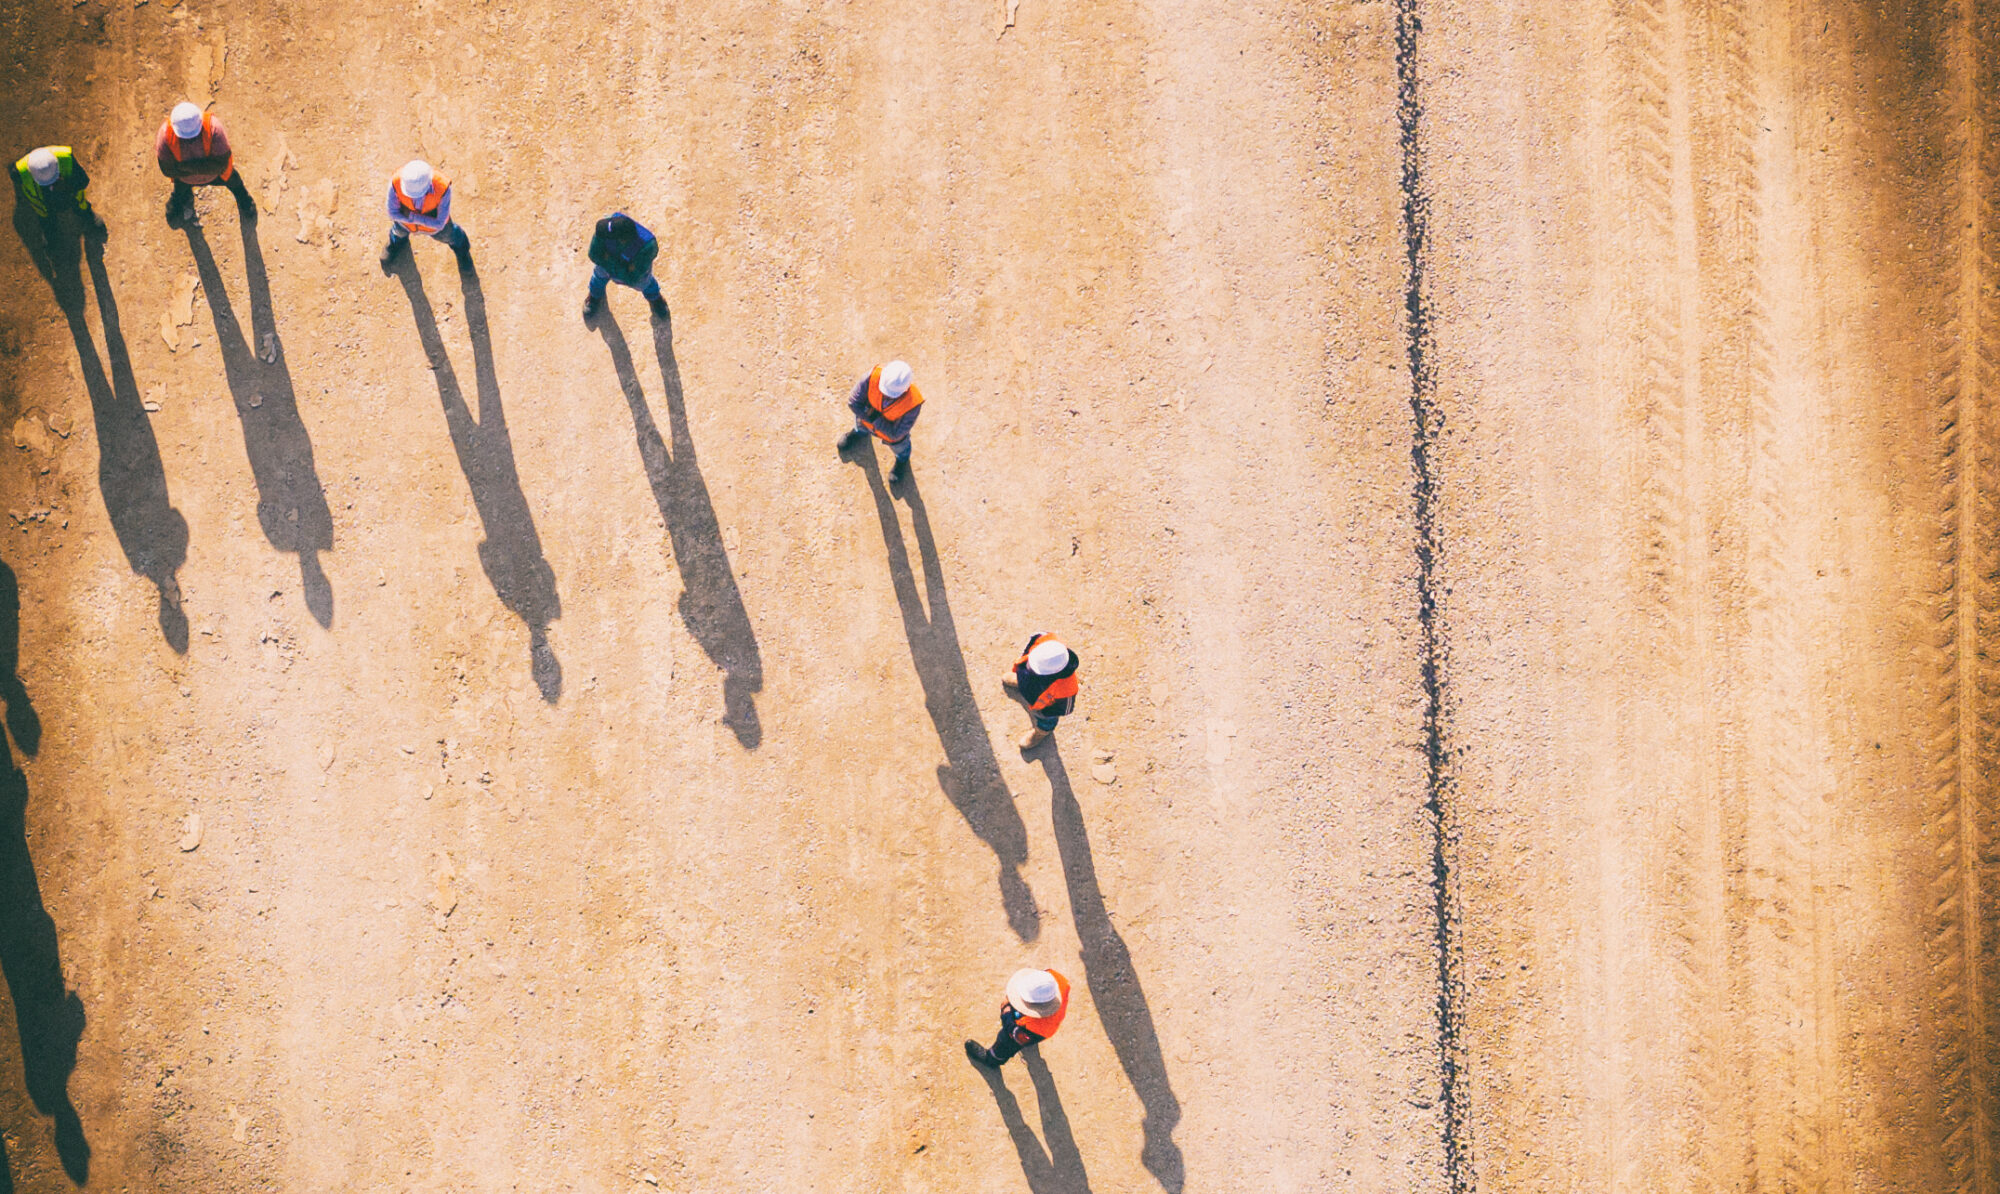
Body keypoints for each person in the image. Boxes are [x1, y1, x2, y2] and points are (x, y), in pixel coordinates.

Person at [155, 102, 254, 225]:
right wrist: (204, 166)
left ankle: (244, 200)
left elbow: (221, 165)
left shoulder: (214, 128)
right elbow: (167, 170)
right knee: (179, 191)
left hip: (198, 175)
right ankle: (177, 202)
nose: (190, 139)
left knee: (236, 184)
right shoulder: (165, 134)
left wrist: (185, 167)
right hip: (189, 178)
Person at [965, 968, 1072, 1069]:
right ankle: (1028, 1044)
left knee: (1006, 1043)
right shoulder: (1057, 980)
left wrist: (1006, 1013)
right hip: (1049, 1026)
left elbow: (1011, 1029)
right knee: (1025, 1038)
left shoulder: (1030, 1028)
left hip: (1033, 1032)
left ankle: (992, 1059)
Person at [836, 360, 921, 485]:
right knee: (860, 427)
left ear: (905, 390)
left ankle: (902, 461)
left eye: (891, 395)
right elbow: (853, 403)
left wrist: (873, 416)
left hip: (892, 438)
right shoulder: (872, 376)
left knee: (902, 450)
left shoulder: (913, 404)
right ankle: (858, 433)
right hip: (865, 423)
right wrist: (876, 420)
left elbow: (895, 434)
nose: (885, 395)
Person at [380, 159, 469, 269]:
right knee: (398, 233)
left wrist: (411, 216)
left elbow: (440, 224)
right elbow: (392, 213)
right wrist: (419, 220)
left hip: (432, 228)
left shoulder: (443, 187)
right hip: (405, 224)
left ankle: (463, 253)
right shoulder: (396, 181)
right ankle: (395, 244)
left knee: (452, 236)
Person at [11, 147, 107, 245]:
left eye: (53, 180)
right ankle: (50, 232)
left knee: (79, 203)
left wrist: (68, 186)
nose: (51, 184)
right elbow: (16, 178)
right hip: (42, 202)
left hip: (70, 192)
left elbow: (83, 180)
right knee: (45, 215)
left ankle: (87, 215)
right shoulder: (18, 171)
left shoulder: (65, 157)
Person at [583, 212, 669, 322]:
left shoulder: (648, 245)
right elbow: (594, 254)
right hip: (616, 268)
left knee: (645, 283)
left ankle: (655, 299)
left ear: (623, 240)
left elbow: (633, 277)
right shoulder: (607, 227)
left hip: (628, 273)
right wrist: (624, 266)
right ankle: (595, 295)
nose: (606, 237)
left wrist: (607, 259)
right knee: (598, 277)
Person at [1003, 633, 1079, 750]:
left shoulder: (1066, 689)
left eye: (1035, 668)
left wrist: (1044, 711)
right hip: (1027, 680)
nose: (1029, 666)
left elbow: (1063, 709)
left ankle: (1041, 732)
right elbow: (1030, 646)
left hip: (1042, 705)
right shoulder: (1045, 639)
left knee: (1046, 721)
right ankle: (1020, 682)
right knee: (1025, 678)